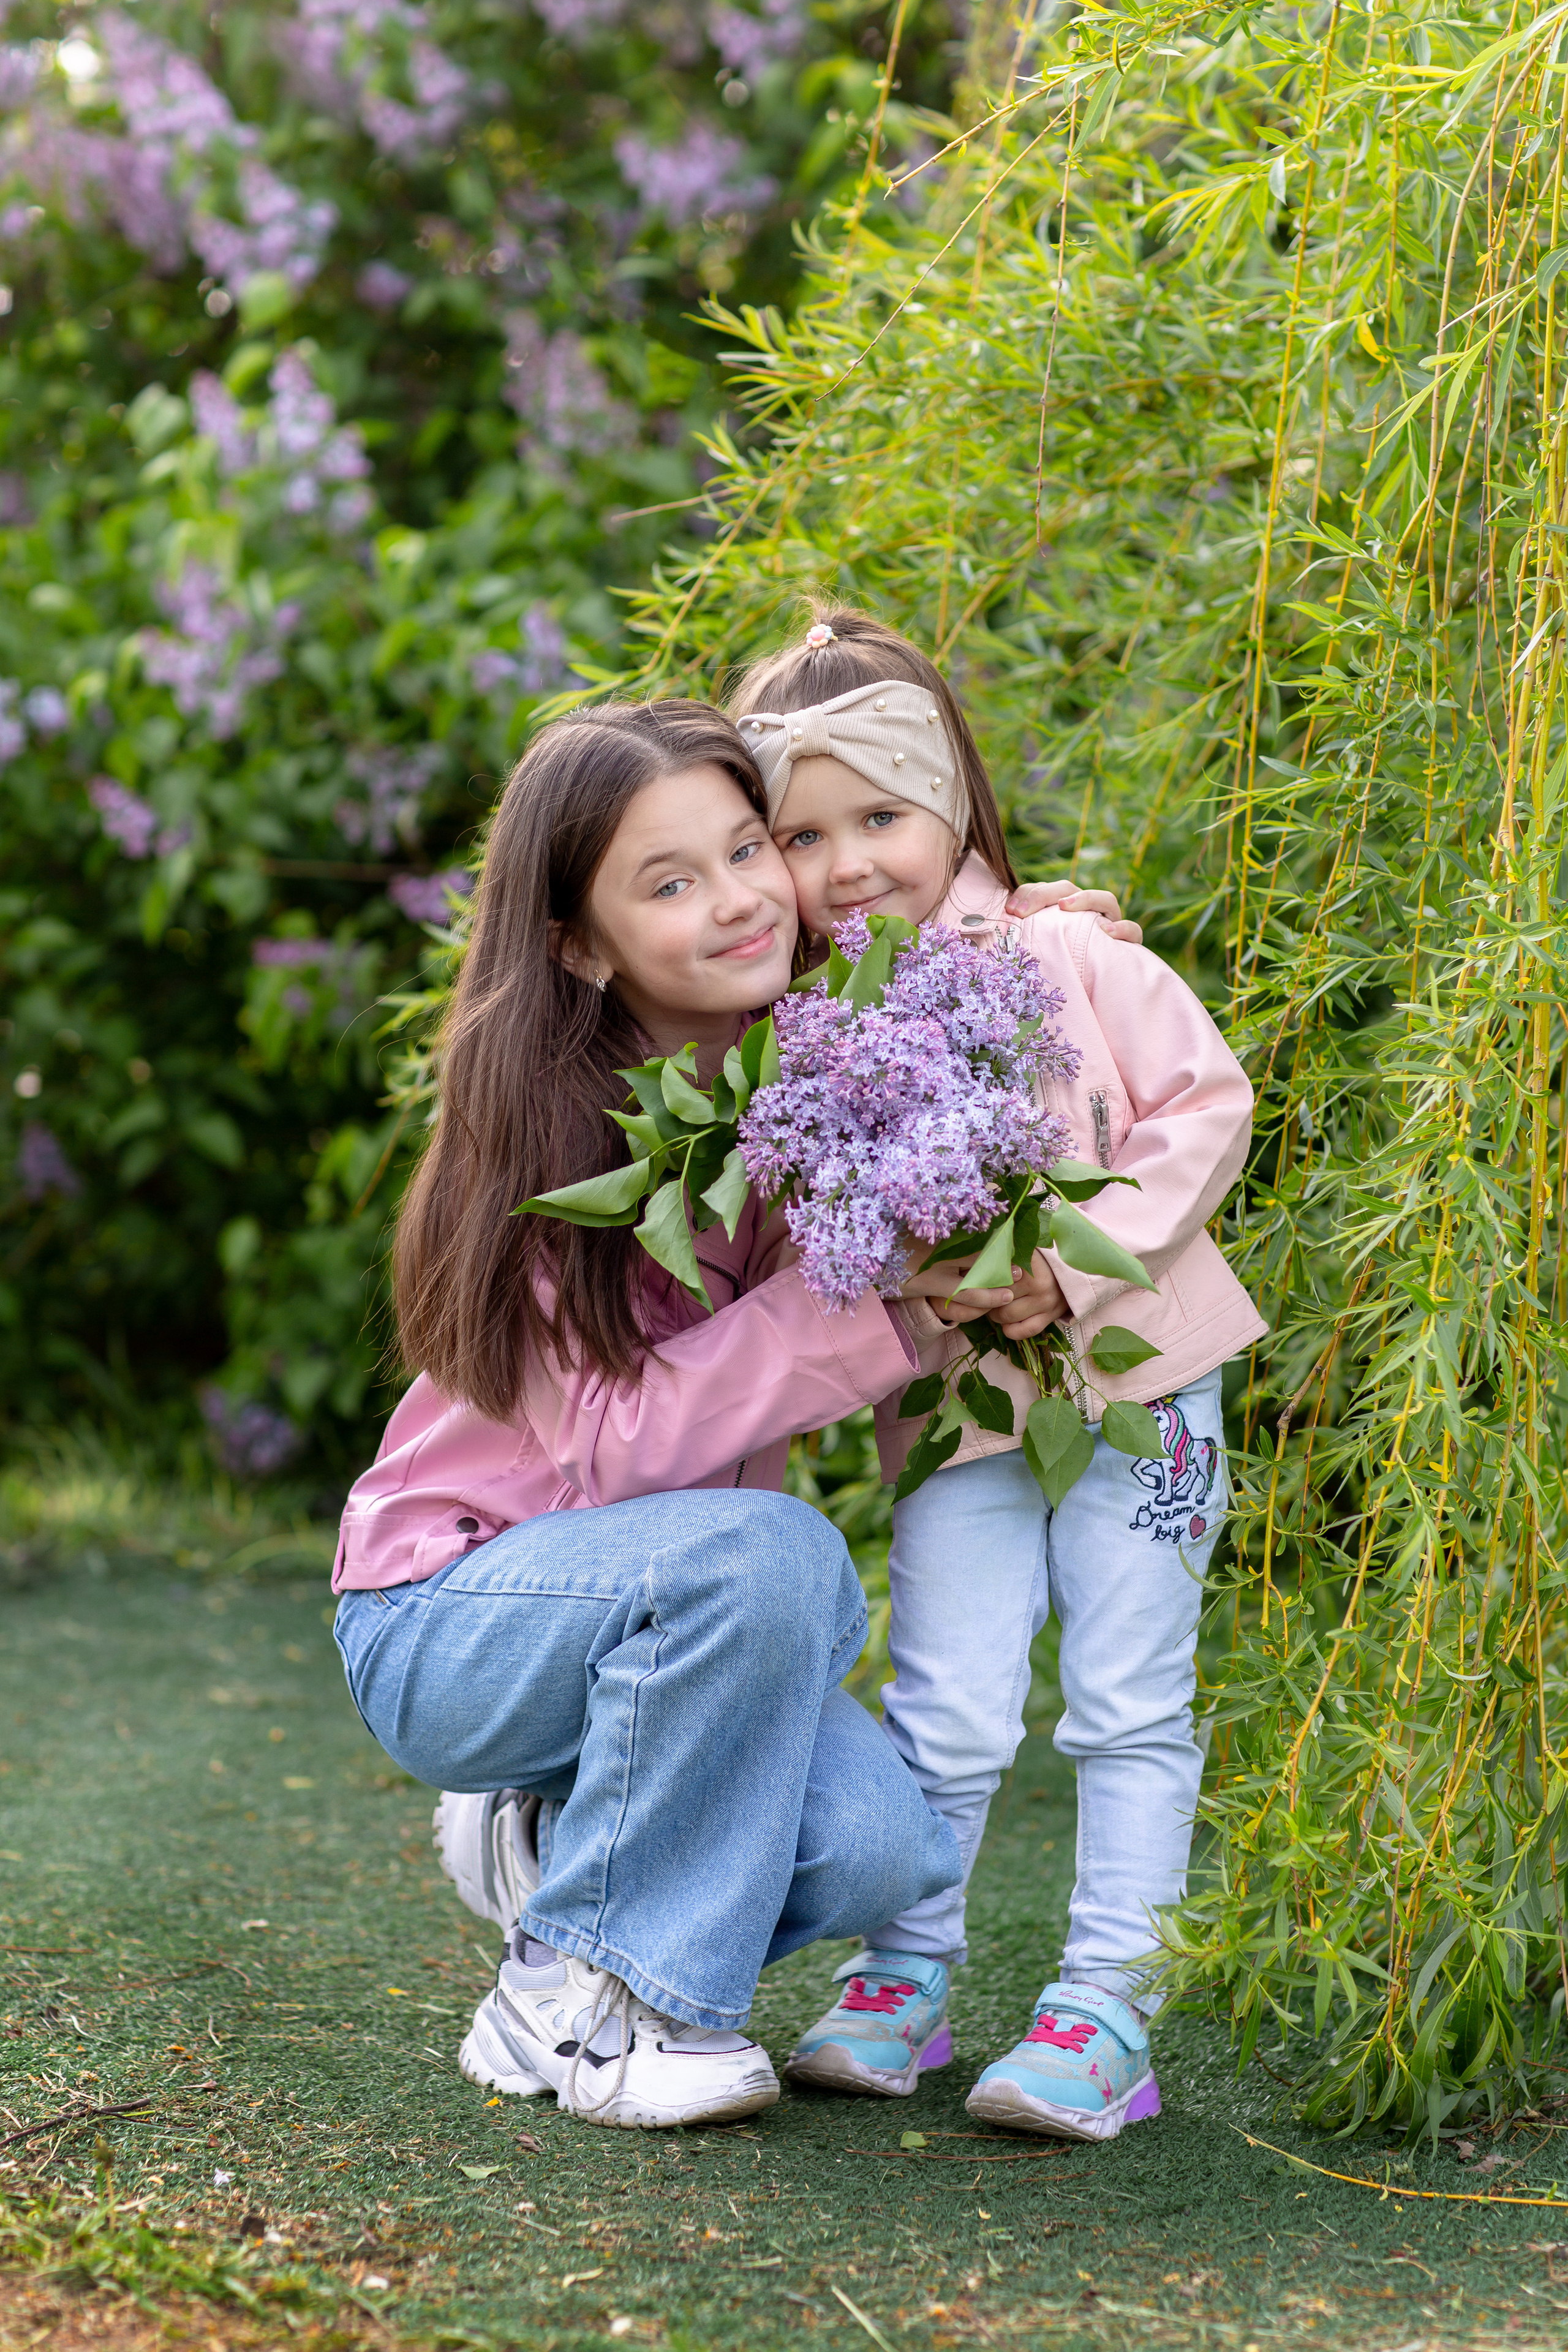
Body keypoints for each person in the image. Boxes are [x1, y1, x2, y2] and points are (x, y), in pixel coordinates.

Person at [331, 699, 1124, 2132]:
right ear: (577, 941)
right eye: (668, 883)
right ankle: (587, 2010)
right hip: (452, 1610)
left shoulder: (812, 1055)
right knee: (776, 1558)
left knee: (885, 1849)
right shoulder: (552, 1128)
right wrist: (890, 1309)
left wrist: (1027, 928)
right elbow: (614, 1454)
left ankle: (556, 1848)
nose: (740, 898)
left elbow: (923, 910)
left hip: (668, 1625)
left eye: (746, 849)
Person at [725, 608, 1267, 2141]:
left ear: (949, 798)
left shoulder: (1067, 953)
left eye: (879, 817)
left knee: (1125, 1699)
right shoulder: (806, 1032)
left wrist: (1079, 1249)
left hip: (1143, 1380)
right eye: (804, 834)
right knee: (947, 1702)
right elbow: (813, 1226)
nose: (846, 867)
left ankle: (1106, 2012)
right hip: (958, 1414)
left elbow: (1201, 1104)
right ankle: (907, 1977)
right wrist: (919, 1271)